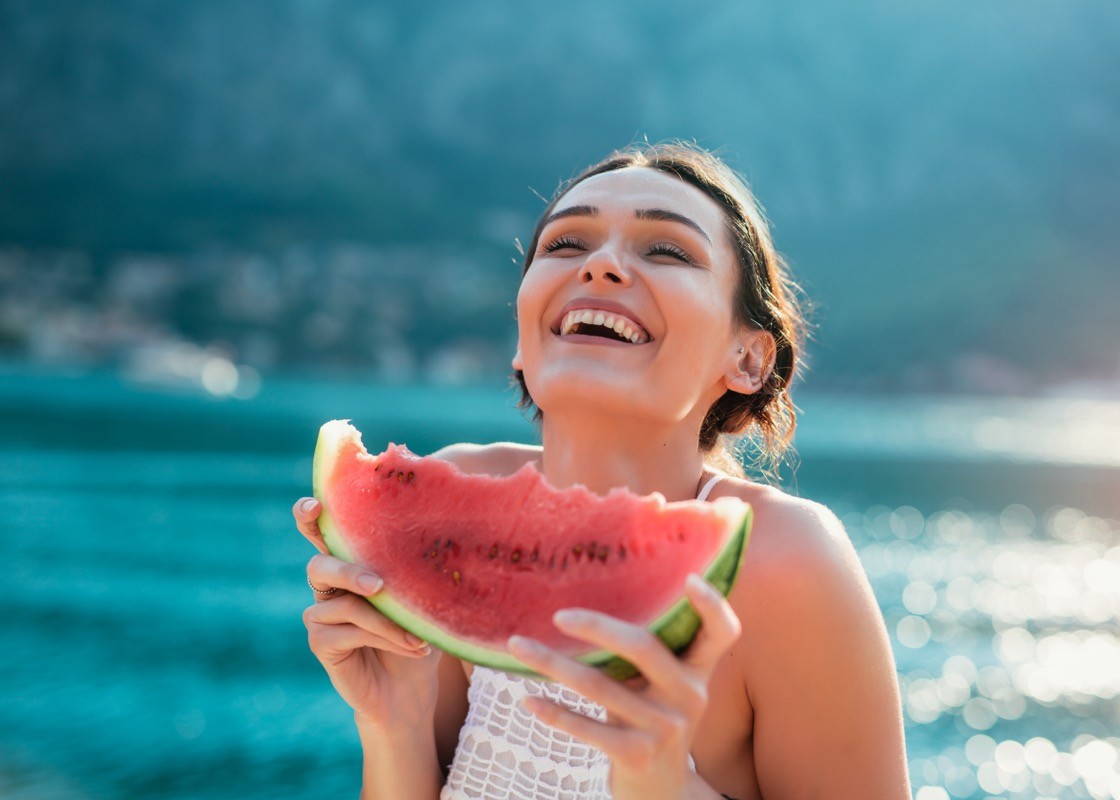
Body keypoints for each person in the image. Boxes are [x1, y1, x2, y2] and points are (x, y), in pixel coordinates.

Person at [294, 142, 911, 799]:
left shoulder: (783, 560)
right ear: (526, 330)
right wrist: (394, 726)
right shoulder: (452, 519)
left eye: (667, 250)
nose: (601, 265)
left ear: (750, 360)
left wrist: (661, 785)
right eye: (565, 244)